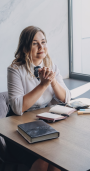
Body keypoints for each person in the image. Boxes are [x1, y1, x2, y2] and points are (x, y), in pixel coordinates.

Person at [6, 26, 71, 171]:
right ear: (24, 48)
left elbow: (66, 98)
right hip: (17, 128)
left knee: (57, 159)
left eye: (43, 42)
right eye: (35, 43)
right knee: (42, 161)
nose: (41, 47)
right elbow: (17, 108)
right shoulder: (15, 69)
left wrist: (53, 81)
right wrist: (43, 85)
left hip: (43, 124)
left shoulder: (52, 66)